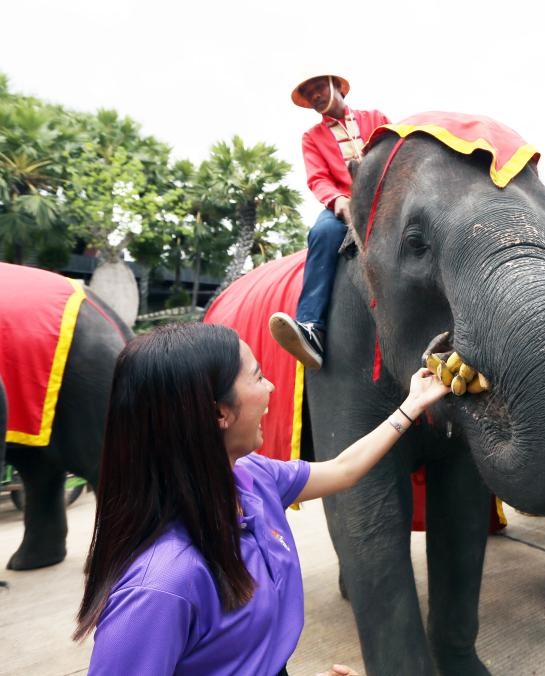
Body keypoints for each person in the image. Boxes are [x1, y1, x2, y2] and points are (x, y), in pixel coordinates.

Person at [74, 323, 449, 675]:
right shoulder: (161, 585)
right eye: (258, 376)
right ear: (219, 412)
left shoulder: (251, 478)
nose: (271, 387)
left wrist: (412, 405)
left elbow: (343, 470)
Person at [269, 72, 391, 370]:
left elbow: (393, 156)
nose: (316, 95)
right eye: (309, 93)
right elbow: (318, 179)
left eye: (319, 87)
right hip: (343, 203)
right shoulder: (311, 137)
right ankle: (311, 328)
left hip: (386, 194)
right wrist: (340, 203)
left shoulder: (375, 117)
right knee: (323, 233)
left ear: (337, 85)